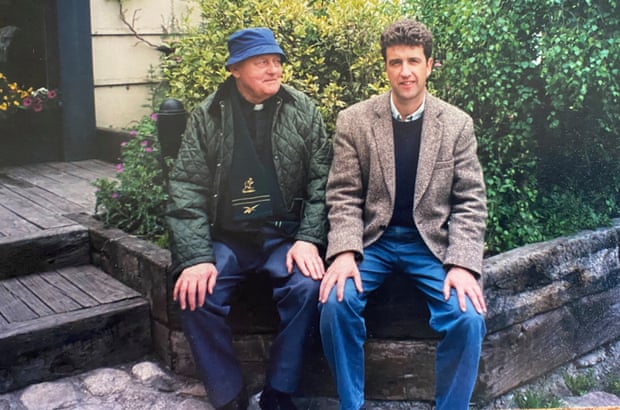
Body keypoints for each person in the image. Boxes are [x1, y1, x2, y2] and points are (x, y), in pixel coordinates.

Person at [318, 19, 487, 410]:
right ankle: (351, 404)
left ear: (430, 65)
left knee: (468, 318)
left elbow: (470, 200)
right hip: (372, 241)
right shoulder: (355, 121)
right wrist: (343, 252)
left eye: (414, 61)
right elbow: (343, 194)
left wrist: (462, 263)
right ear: (385, 67)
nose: (405, 71)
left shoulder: (457, 124)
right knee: (335, 303)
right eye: (396, 62)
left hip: (430, 244)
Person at [165, 27, 332, 410]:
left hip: (282, 237)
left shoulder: (302, 110)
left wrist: (308, 238)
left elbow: (323, 181)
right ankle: (228, 396)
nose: (274, 70)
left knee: (308, 287)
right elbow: (186, 188)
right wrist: (195, 259)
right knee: (194, 294)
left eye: (277, 62)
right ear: (235, 69)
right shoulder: (207, 116)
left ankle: (279, 391)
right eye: (263, 63)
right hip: (227, 240)